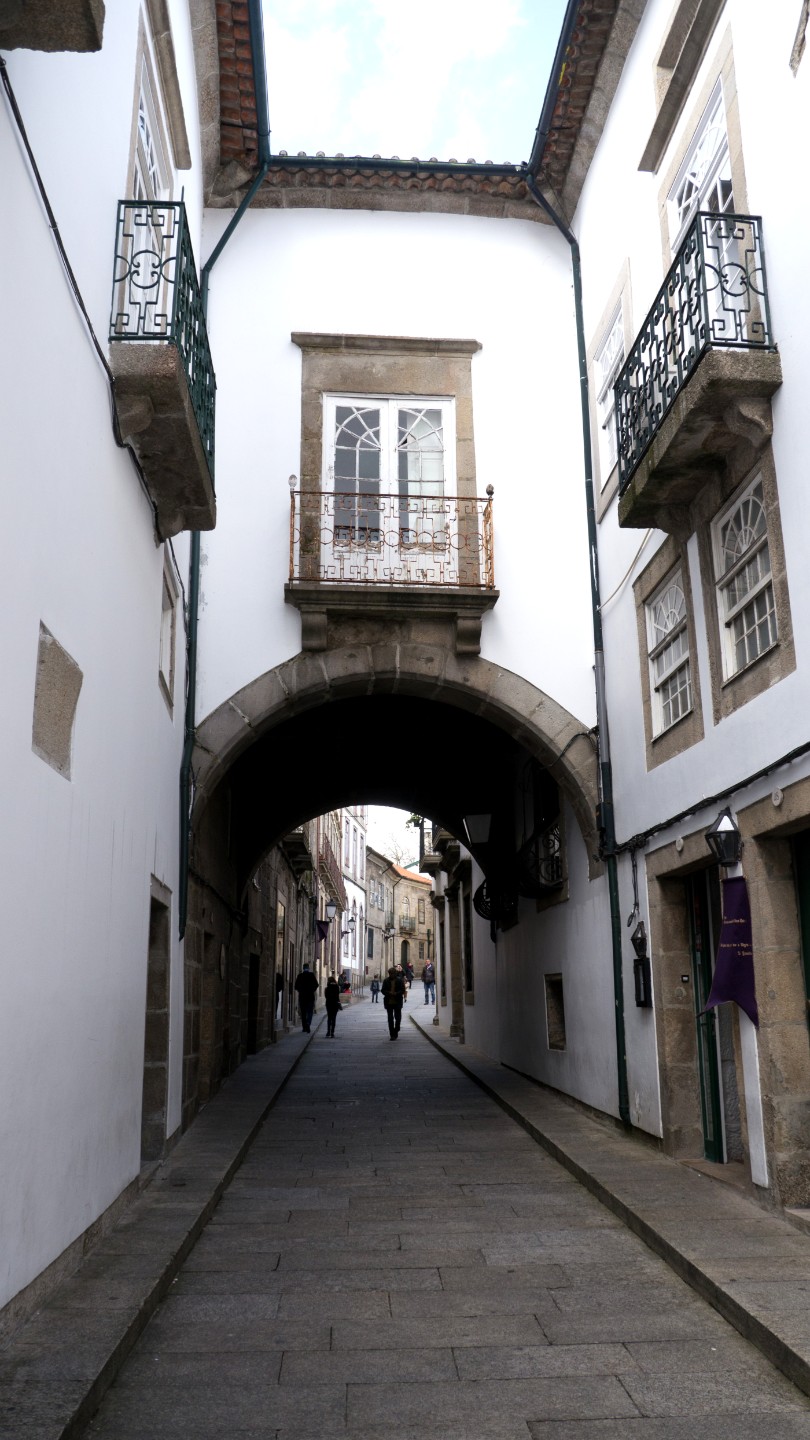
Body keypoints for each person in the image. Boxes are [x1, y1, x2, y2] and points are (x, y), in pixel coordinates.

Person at [382, 966, 405, 1040]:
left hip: (397, 1001)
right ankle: (392, 1034)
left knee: (398, 1017)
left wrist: (396, 993)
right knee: (390, 1019)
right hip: (388, 1002)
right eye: (390, 974)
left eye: (392, 973)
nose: (391, 975)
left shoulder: (399, 980)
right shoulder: (386, 981)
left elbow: (403, 990)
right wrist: (388, 993)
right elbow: (383, 990)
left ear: (395, 974)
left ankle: (397, 1028)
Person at [293, 962, 318, 1032]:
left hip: (302, 997)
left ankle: (304, 1027)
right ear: (308, 968)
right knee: (310, 1012)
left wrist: (301, 991)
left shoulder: (300, 976)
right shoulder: (311, 975)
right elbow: (316, 984)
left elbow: (296, 986)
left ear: (303, 968)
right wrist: (312, 990)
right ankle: (308, 1023)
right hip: (310, 997)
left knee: (303, 1013)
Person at [324, 973, 341, 1037]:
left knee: (329, 1018)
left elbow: (326, 996)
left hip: (328, 1004)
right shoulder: (337, 987)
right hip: (335, 1004)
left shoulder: (327, 988)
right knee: (334, 1018)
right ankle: (332, 1032)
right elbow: (337, 996)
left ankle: (328, 1032)